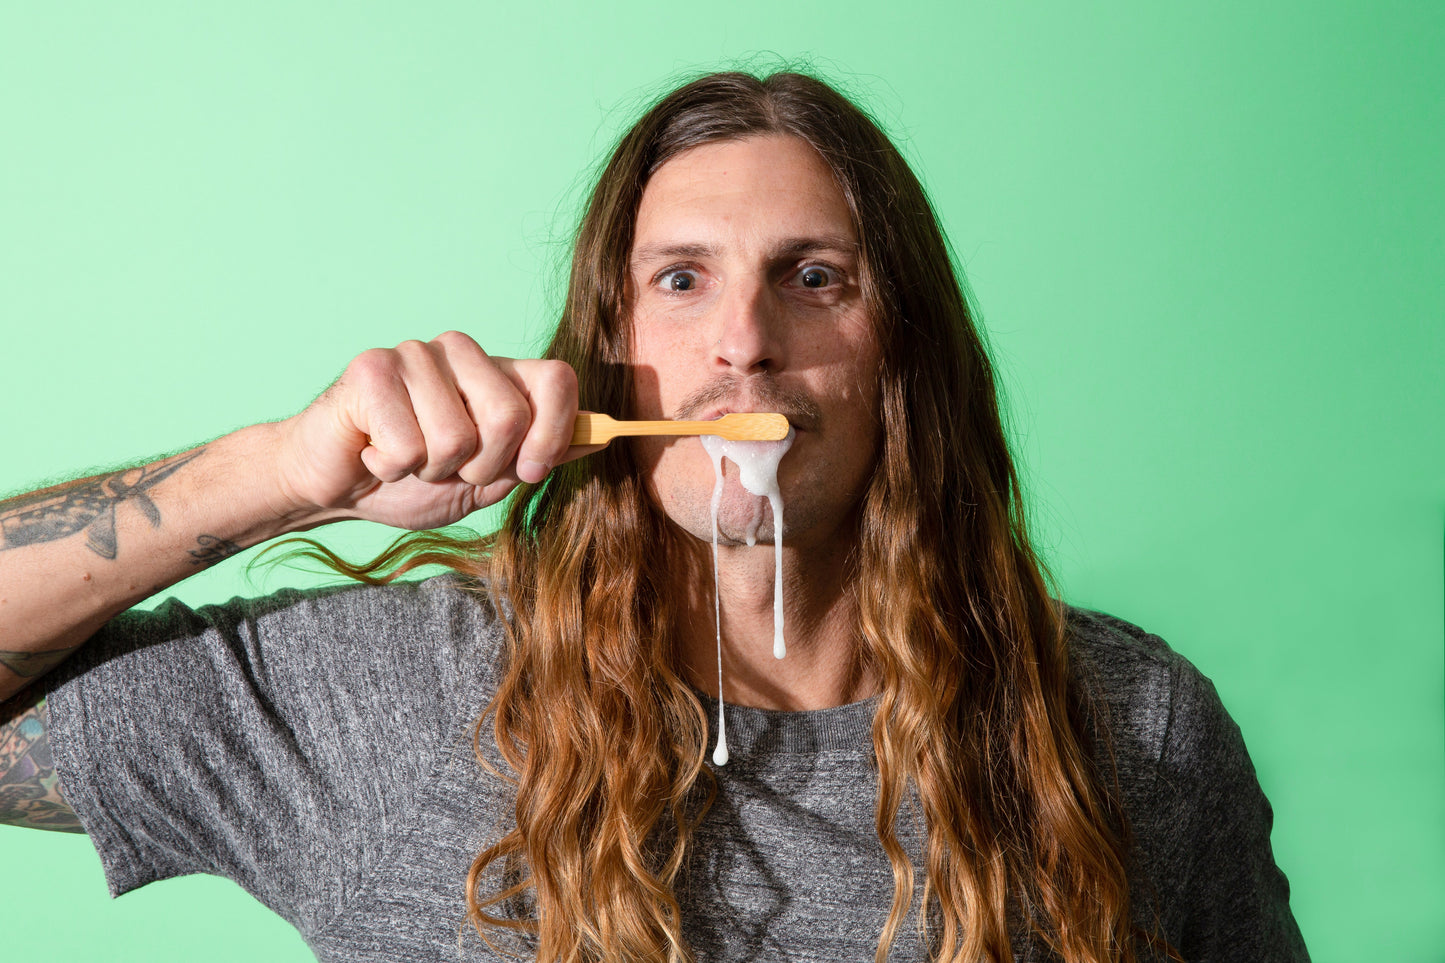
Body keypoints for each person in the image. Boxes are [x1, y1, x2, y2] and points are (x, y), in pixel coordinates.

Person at [0, 71, 1308, 963]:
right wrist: (277, 472)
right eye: (680, 278)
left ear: (898, 356)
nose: (742, 341)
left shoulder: (1130, 728)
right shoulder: (380, 699)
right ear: (605, 344)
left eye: (814, 277)